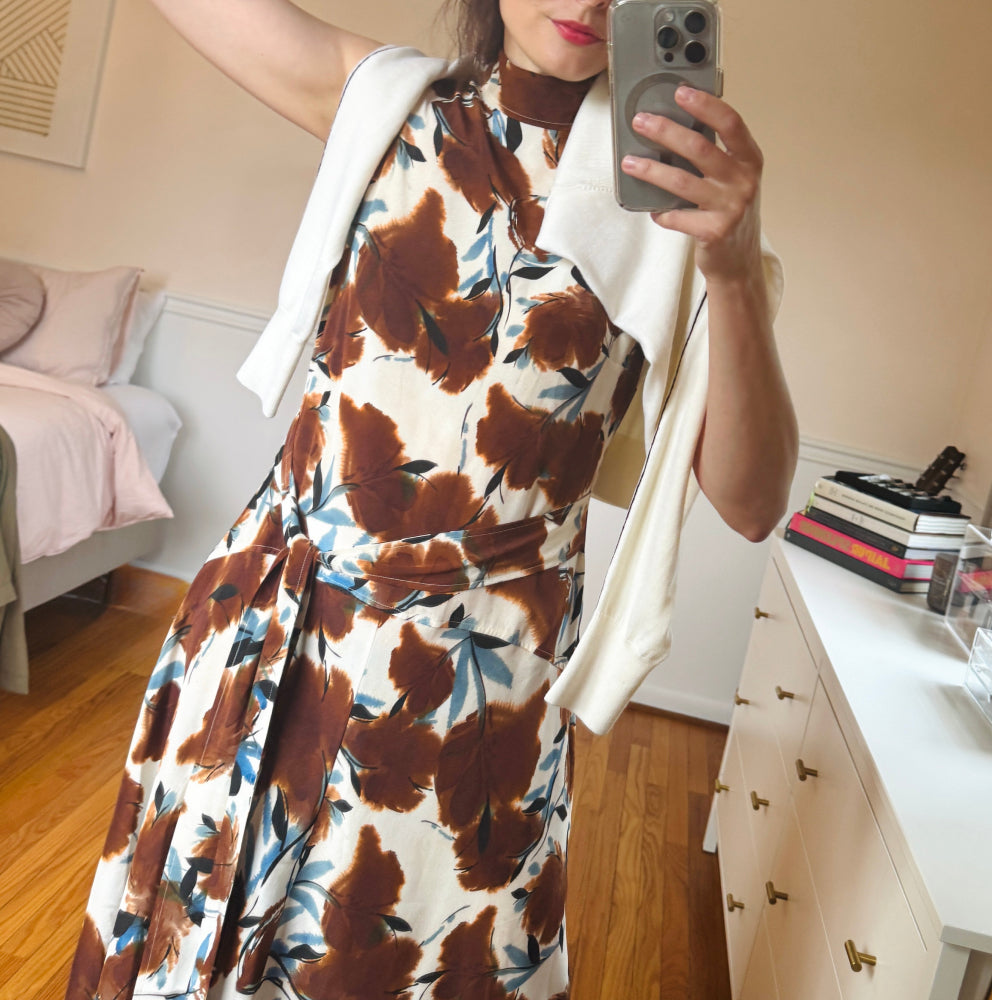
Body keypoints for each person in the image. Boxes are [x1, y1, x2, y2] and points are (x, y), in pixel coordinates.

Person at [66, 0, 797, 997]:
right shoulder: (386, 101)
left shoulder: (677, 212)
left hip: (473, 700)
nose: (585, 4)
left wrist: (736, 267)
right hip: (272, 628)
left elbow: (751, 503)